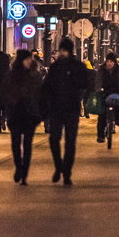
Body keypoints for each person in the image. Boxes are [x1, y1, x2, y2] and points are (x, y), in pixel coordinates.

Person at [41, 37, 89, 186]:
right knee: (54, 139)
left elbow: (84, 84)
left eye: (63, 50)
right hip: (57, 109)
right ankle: (59, 167)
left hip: (70, 110)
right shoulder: (56, 68)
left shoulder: (77, 67)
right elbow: (46, 87)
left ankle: (66, 171)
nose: (61, 53)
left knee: (69, 142)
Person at [3, 49, 43, 185]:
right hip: (16, 113)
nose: (28, 61)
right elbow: (6, 94)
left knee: (27, 144)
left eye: (29, 59)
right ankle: (18, 167)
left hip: (30, 114)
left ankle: (24, 172)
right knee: (15, 143)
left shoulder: (35, 75)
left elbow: (40, 95)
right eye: (26, 59)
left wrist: (39, 111)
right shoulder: (11, 76)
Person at [96, 53, 119, 143]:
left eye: (111, 61)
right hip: (104, 93)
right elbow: (98, 80)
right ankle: (100, 135)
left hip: (116, 92)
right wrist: (98, 89)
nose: (109, 63)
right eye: (107, 61)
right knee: (102, 115)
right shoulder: (102, 70)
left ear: (114, 62)